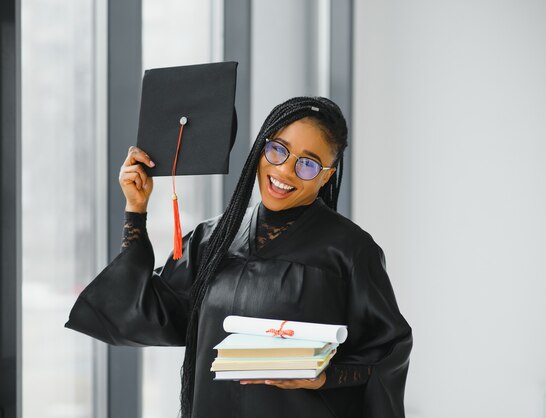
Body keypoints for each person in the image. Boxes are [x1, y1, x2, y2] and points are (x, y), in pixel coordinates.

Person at [65, 96, 413, 418]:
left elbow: (386, 352)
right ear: (262, 148)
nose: (285, 171)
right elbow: (140, 310)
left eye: (307, 164)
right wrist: (135, 210)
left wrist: (323, 377)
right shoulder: (213, 239)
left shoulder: (350, 250)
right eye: (278, 150)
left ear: (327, 176)